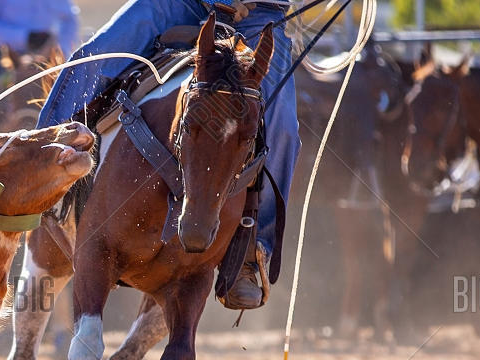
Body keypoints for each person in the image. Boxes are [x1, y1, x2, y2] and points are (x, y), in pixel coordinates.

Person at [36, 0, 297, 310]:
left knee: (283, 129)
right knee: (93, 61)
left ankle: (251, 253)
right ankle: (37, 169)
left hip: (261, 14)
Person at [0, 0, 82, 129]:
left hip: (45, 54)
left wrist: (59, 50)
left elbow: (69, 19)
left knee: (72, 94)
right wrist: (24, 37)